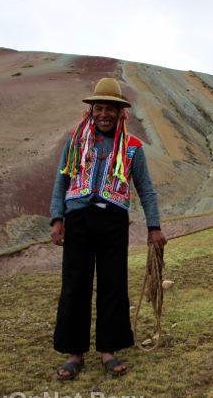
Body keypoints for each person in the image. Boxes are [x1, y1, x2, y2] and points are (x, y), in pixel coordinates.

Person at [49, 78, 166, 379]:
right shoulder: (76, 140)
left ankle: (108, 351)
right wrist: (57, 218)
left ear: (119, 113)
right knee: (75, 285)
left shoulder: (133, 147)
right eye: (99, 108)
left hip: (113, 222)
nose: (104, 114)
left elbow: (147, 190)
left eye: (110, 109)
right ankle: (74, 353)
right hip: (78, 220)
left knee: (113, 284)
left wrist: (154, 227)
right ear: (91, 110)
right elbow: (62, 179)